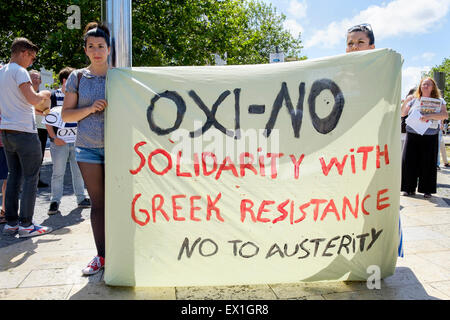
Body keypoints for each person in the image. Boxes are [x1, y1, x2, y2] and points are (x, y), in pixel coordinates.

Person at [345, 23, 404, 257]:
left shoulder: (384, 75)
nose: (354, 47)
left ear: (372, 46)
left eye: (360, 42)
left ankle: (381, 251)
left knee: (377, 199)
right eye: (350, 43)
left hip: (375, 151)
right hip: (348, 154)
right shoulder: (340, 75)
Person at [62, 22, 110, 275]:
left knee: (122, 201)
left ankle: (123, 252)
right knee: (99, 204)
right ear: (85, 50)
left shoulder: (120, 75)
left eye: (101, 46)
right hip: (87, 149)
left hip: (118, 148)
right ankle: (102, 256)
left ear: (109, 48)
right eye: (91, 46)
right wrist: (90, 108)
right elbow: (67, 115)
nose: (96, 50)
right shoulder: (77, 77)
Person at [0, 37, 53, 237]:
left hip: (6, 130)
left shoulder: (1, 72)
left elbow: (14, 103)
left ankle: (11, 223)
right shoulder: (20, 71)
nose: (32, 62)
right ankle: (27, 225)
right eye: (31, 57)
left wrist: (33, 111)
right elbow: (32, 98)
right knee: (31, 177)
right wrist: (45, 94)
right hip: (24, 132)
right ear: (23, 52)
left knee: (13, 175)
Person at [46, 67, 91, 215]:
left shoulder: (77, 96)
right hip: (59, 142)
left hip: (77, 141)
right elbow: (48, 119)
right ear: (66, 80)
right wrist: (53, 137)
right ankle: (55, 201)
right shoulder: (54, 96)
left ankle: (81, 198)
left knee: (78, 171)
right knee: (58, 172)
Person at [401, 77, 448, 198]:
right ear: (420, 86)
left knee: (428, 162)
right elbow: (402, 113)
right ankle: (408, 188)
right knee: (409, 161)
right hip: (412, 133)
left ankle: (427, 189)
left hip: (430, 135)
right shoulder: (413, 100)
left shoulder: (440, 100)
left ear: (433, 87)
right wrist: (406, 101)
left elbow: (444, 115)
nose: (425, 86)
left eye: (428, 84)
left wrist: (430, 116)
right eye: (423, 84)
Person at [29, 70, 49, 188]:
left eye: (37, 77)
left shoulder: (44, 96)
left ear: (41, 81)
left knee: (40, 155)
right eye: (33, 77)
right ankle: (25, 182)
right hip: (29, 128)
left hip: (41, 129)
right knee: (27, 155)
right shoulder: (25, 94)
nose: (35, 79)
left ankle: (37, 179)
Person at [401, 88, 417, 152]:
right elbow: (402, 113)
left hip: (415, 132)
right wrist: (407, 100)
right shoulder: (406, 103)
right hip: (404, 131)